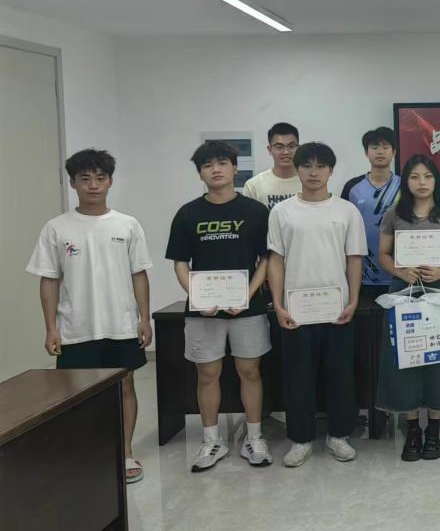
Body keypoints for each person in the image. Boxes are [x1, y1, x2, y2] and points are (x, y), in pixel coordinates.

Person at [26, 149, 152, 483]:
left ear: (110, 181)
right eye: (85, 179)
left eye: (100, 178)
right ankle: (85, 455)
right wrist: (50, 327)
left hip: (121, 325)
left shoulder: (127, 224)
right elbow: (49, 280)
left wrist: (144, 318)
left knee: (125, 387)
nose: (93, 185)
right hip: (76, 327)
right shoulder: (56, 228)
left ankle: (125, 454)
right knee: (77, 396)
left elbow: (139, 274)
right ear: (73, 183)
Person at [166, 141, 273, 471]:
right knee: (207, 373)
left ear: (234, 168)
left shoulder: (255, 212)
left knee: (250, 372)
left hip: (247, 308)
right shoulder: (188, 214)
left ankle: (254, 437)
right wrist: (197, 296)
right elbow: (180, 262)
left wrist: (248, 295)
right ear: (200, 173)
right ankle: (212, 440)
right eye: (208, 165)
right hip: (204, 311)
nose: (216, 170)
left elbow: (266, 259)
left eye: (222, 163)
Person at [267, 142, 366, 467]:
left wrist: (353, 300)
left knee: (340, 375)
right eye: (306, 165)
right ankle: (300, 439)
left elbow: (354, 259)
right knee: (298, 377)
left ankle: (339, 436)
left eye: (320, 166)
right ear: (297, 169)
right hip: (296, 311)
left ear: (331, 170)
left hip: (337, 309)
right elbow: (276, 260)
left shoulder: (346, 211)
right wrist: (278, 304)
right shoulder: (282, 212)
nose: (313, 172)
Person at [377, 155, 440, 462]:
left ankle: (434, 430)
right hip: (403, 293)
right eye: (415, 177)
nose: (422, 182)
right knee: (407, 359)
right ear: (406, 181)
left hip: (438, 294)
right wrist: (400, 272)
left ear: (436, 180)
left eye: (427, 176)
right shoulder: (394, 214)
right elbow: (384, 253)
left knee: (438, 360)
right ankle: (413, 428)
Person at [341, 127, 401, 299]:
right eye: (374, 147)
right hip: (361, 274)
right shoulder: (352, 187)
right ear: (366, 153)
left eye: (385, 147)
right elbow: (342, 227)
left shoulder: (404, 185)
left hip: (399, 274)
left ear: (394, 152)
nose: (380, 151)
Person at [243, 122, 302, 208]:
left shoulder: (309, 182)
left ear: (298, 148)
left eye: (291, 146)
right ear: (270, 149)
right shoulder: (254, 186)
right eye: (279, 147)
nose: (286, 152)